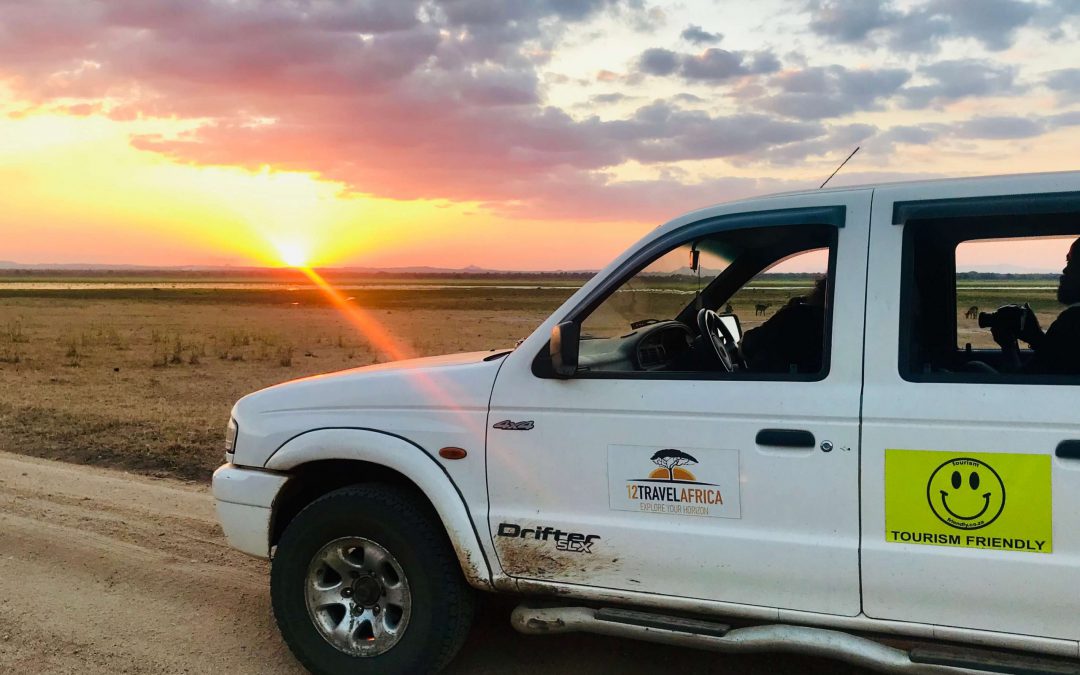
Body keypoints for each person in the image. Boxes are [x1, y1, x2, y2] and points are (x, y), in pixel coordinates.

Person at [992, 237, 1080, 375]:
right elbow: (1057, 357)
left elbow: (1023, 384)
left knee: (974, 366)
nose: (1065, 270)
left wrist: (1008, 345)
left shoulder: (1072, 321)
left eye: (1072, 262)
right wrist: (1036, 337)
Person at [739, 276, 826, 374]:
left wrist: (783, 313)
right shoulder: (830, 322)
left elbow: (749, 344)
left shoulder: (795, 315)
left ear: (819, 293)